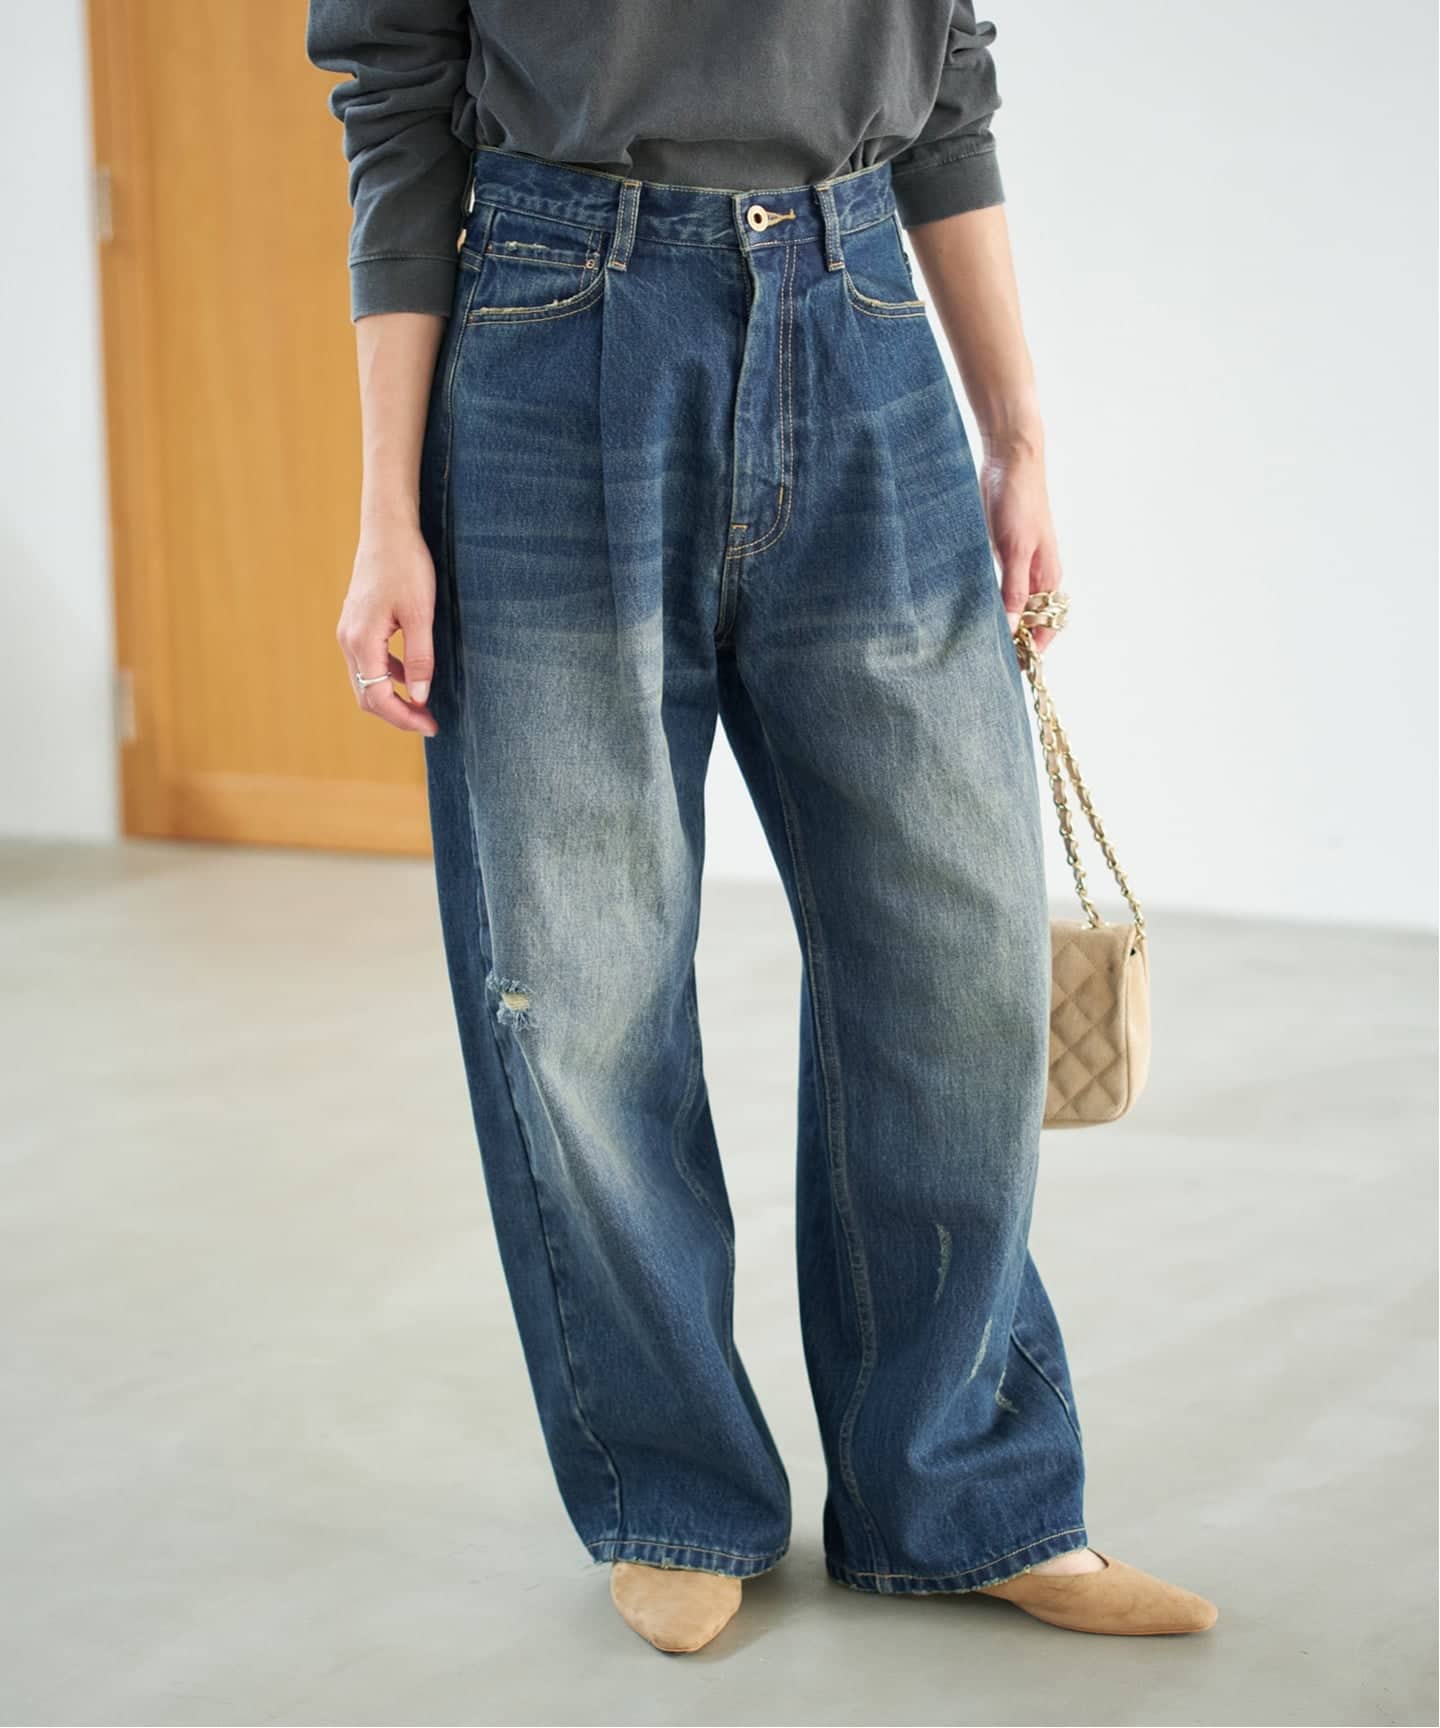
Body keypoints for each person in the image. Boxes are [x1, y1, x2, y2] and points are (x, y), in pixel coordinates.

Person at [305, 1, 1218, 1653]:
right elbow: (398, 112)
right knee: (579, 989)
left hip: (864, 319)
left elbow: (947, 87)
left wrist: (1018, 436)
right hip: (550, 338)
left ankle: (962, 1495)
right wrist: (385, 513)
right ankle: (674, 1493)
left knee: (957, 958)